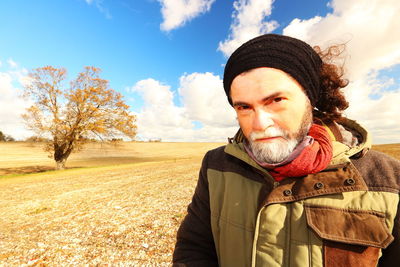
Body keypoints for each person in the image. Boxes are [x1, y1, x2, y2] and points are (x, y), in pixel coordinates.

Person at [172, 34, 400, 267]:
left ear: (309, 100)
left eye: (276, 100)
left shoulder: (389, 180)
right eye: (244, 107)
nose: (260, 124)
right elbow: (194, 248)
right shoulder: (217, 165)